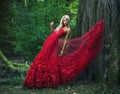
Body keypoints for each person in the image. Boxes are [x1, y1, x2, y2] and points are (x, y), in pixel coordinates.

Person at [23, 15, 104, 88]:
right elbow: (52, 34)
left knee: (51, 60)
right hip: (48, 42)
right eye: (64, 20)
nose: (66, 21)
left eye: (67, 20)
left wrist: (62, 50)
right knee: (42, 58)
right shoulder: (59, 27)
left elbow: (65, 41)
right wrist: (51, 26)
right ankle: (32, 82)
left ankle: (47, 82)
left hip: (54, 44)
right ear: (62, 20)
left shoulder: (68, 29)